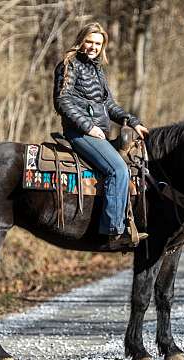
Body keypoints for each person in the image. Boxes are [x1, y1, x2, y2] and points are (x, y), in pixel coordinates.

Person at [53, 22, 149, 248]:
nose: (93, 47)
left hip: (98, 133)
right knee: (118, 169)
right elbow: (62, 101)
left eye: (98, 43)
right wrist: (87, 127)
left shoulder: (97, 69)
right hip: (80, 133)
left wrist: (133, 122)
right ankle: (114, 231)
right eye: (89, 41)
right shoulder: (69, 65)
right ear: (81, 41)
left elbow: (109, 105)